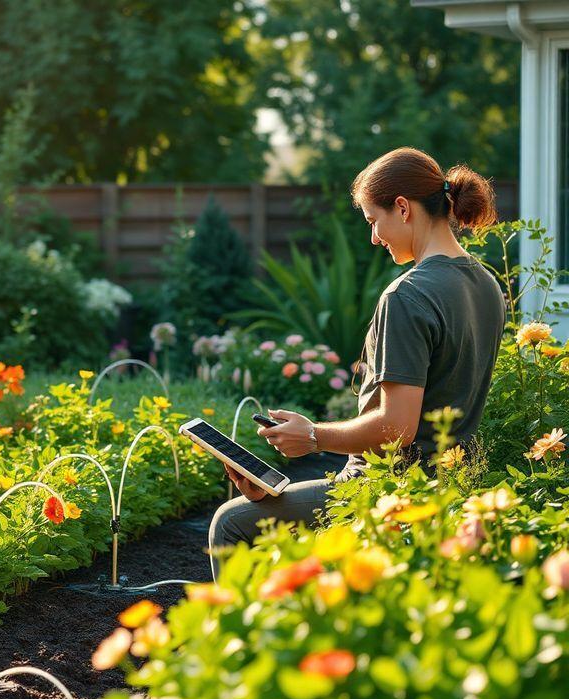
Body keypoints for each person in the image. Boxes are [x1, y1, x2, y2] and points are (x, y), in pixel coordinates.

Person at [208, 147, 506, 579]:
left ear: (402, 208)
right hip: (451, 486)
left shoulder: (407, 296)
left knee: (230, 522)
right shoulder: (487, 285)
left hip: (387, 493)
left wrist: (312, 436)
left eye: (372, 221)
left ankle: (252, 624)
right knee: (263, 506)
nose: (374, 238)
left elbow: (397, 429)